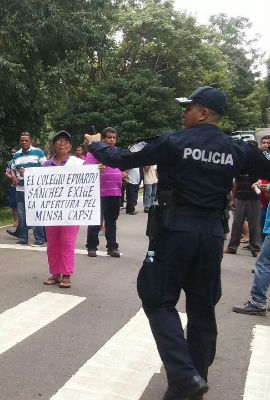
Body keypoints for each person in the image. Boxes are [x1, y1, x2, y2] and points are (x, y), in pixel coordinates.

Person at [84, 86, 270, 400]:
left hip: (174, 231)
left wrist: (97, 144)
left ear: (203, 113)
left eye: (188, 107)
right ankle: (195, 380)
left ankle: (183, 376)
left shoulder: (173, 141)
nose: (182, 112)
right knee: (201, 307)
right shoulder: (238, 149)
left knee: (157, 298)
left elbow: (124, 158)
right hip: (212, 234)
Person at [41, 131, 83, 288]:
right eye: (59, 141)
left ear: (70, 146)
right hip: (51, 211)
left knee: (67, 242)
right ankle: (55, 273)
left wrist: (96, 171)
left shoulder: (78, 164)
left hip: (71, 211)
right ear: (53, 146)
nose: (62, 144)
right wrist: (29, 175)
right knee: (52, 242)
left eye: (65, 141)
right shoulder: (45, 166)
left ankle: (66, 274)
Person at [85, 127, 123, 257]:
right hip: (98, 193)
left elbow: (124, 165)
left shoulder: (117, 152)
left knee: (111, 221)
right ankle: (91, 246)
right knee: (95, 221)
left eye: (114, 137)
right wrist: (96, 169)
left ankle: (112, 247)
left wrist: (123, 172)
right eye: (109, 137)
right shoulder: (93, 154)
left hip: (115, 192)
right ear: (102, 139)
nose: (112, 140)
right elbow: (86, 172)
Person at [9, 132, 46, 246]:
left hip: (35, 189)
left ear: (30, 142)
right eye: (22, 140)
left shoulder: (38, 152)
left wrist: (29, 174)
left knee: (36, 214)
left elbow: (45, 167)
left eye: (26, 140)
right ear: (20, 142)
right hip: (20, 188)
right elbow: (12, 169)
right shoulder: (16, 155)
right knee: (21, 214)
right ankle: (23, 238)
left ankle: (39, 239)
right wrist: (14, 177)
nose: (24, 142)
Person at [224, 165, 262, 257]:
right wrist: (233, 199)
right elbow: (236, 183)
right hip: (240, 198)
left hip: (254, 199)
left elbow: (262, 182)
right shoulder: (240, 167)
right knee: (237, 223)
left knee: (254, 225)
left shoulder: (259, 167)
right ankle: (232, 248)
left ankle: (255, 249)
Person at [5, 147, 19, 227]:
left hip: (23, 185)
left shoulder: (22, 160)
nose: (13, 153)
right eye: (12, 152)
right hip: (13, 186)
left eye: (14, 152)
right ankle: (15, 221)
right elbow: (7, 173)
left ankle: (24, 221)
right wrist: (13, 178)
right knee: (14, 204)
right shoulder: (11, 162)